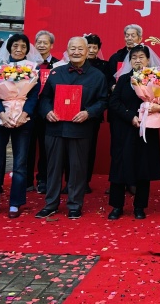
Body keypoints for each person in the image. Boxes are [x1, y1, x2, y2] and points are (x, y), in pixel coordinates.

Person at [36, 37, 108, 219]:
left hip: (80, 128)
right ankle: (50, 203)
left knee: (77, 168)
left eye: (80, 49)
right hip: (55, 127)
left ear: (87, 51)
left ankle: (75, 204)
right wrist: (47, 112)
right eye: (73, 48)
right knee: (53, 168)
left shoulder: (97, 76)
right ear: (67, 51)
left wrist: (88, 113)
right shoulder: (55, 72)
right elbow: (44, 98)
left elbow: (103, 101)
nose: (76, 52)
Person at [0, 34, 39, 219]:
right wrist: (1, 114)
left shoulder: (32, 68)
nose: (19, 49)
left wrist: (24, 114)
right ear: (9, 47)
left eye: (23, 46)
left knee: (20, 164)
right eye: (15, 46)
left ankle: (16, 203)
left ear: (27, 50)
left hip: (22, 121)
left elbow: (34, 95)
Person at [107, 45, 160, 220]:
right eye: (134, 58)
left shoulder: (156, 79)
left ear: (148, 60)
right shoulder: (124, 79)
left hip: (146, 130)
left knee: (143, 168)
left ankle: (139, 207)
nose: (137, 61)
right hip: (124, 130)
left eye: (141, 57)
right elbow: (114, 102)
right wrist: (130, 116)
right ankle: (117, 206)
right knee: (119, 167)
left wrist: (159, 107)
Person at [30, 30, 60, 194]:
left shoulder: (58, 65)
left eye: (45, 42)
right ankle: (26, 180)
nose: (41, 45)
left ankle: (43, 179)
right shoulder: (27, 64)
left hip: (49, 112)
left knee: (46, 148)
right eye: (39, 42)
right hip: (28, 111)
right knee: (27, 147)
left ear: (51, 45)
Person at [81, 33, 108, 193]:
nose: (91, 50)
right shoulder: (74, 64)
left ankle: (85, 181)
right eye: (88, 46)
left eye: (94, 47)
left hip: (93, 114)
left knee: (89, 149)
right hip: (72, 113)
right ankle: (70, 180)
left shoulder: (104, 66)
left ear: (99, 49)